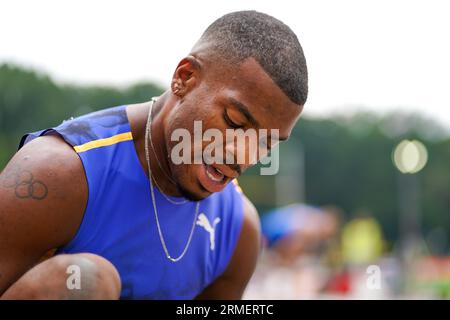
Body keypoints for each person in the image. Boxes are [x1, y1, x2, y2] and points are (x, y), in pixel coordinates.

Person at [0, 10, 308, 299]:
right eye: (234, 122)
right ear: (185, 78)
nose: (243, 156)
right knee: (86, 280)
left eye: (267, 142)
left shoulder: (238, 229)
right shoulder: (58, 173)